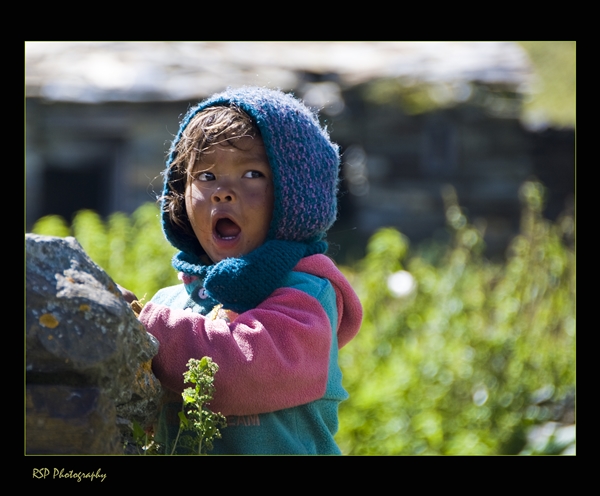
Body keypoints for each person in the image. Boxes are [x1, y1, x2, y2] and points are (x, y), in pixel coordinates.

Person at [136, 86, 362, 455]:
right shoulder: (171, 303)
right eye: (205, 177)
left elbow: (243, 368)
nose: (223, 192)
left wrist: (145, 329)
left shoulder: (308, 295)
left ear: (296, 196)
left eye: (252, 173)